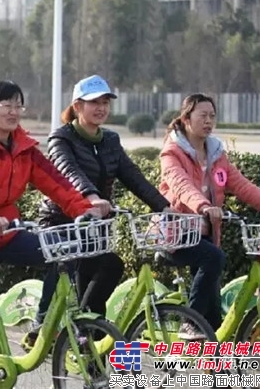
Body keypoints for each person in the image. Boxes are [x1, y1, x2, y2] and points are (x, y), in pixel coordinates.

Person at [0, 80, 110, 384]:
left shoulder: (24, 149)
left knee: (63, 250)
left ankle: (43, 322)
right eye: (6, 105)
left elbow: (56, 183)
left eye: (18, 105)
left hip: (7, 234)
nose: (13, 111)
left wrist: (83, 208)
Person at [29, 75, 171, 344]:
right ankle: (42, 321)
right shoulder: (61, 138)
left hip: (97, 225)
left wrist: (165, 207)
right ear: (78, 106)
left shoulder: (110, 140)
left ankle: (86, 338)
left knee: (109, 268)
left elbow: (133, 176)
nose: (101, 108)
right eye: (94, 102)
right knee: (67, 264)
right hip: (62, 220)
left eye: (105, 102)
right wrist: (90, 198)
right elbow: (67, 170)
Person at [159, 93, 260, 339]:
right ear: (186, 118)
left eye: (212, 116)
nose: (209, 121)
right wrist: (203, 206)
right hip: (177, 236)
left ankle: (215, 372)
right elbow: (180, 185)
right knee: (215, 258)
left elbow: (244, 187)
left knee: (213, 321)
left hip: (206, 238)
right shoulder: (172, 153)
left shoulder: (216, 155)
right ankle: (189, 321)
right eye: (203, 115)